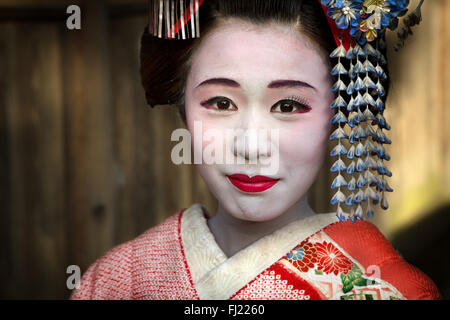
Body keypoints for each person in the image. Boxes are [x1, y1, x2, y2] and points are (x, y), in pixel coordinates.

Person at [70, 0, 440, 300]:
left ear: (339, 113)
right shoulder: (116, 281)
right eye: (220, 103)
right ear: (183, 107)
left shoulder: (391, 290)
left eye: (288, 106)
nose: (251, 146)